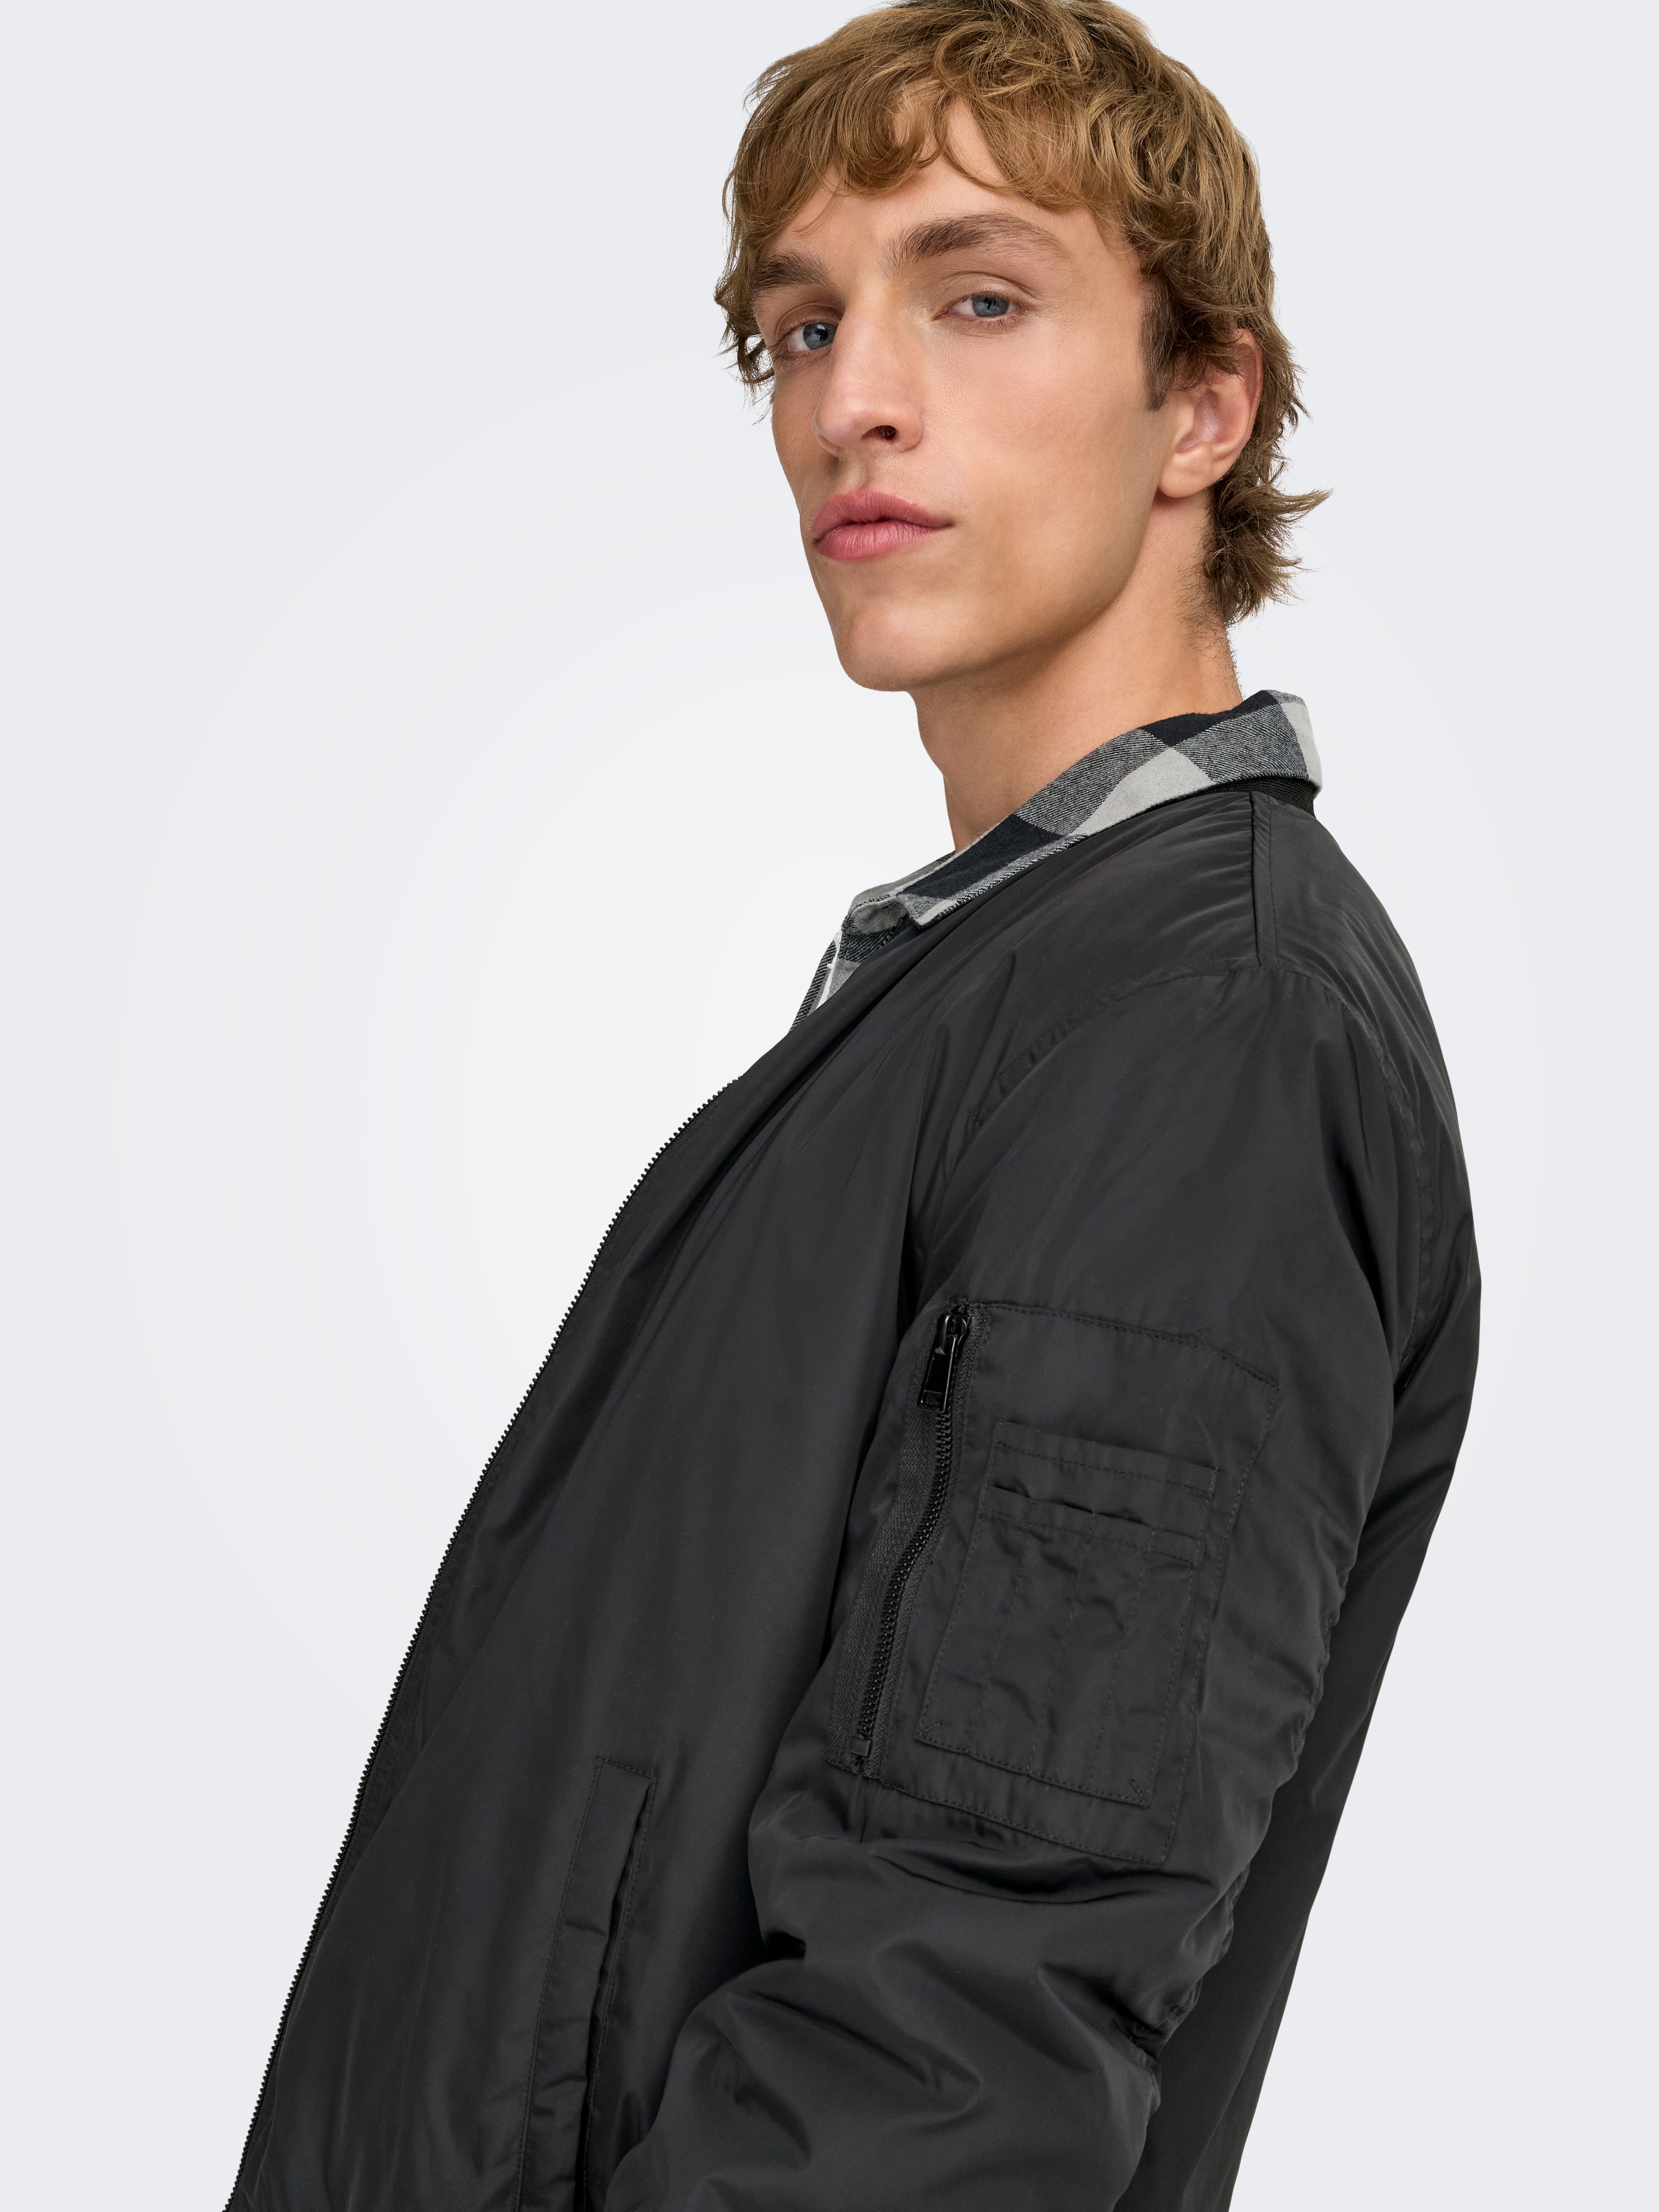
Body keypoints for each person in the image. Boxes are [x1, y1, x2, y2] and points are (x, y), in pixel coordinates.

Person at [226, 5, 1479, 2207]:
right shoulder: (1000, 987)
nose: (849, 401)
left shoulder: (1204, 1039)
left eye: (977, 298)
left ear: (1205, 405)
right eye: (798, 329)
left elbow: (956, 2043)